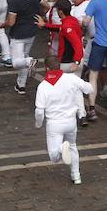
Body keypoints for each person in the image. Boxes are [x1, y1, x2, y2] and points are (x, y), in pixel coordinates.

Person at [34, 57, 89, 186]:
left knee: (54, 157)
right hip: (71, 122)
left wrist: (38, 123)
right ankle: (76, 176)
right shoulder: (71, 78)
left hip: (54, 124)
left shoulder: (43, 86)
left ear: (47, 68)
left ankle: (60, 149)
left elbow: (39, 111)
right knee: (73, 147)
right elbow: (89, 89)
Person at [4, 0, 41, 94]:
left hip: (18, 34)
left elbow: (11, 22)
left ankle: (30, 61)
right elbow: (44, 5)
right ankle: (21, 85)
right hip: (31, 32)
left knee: (16, 62)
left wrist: (2, 24)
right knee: (23, 56)